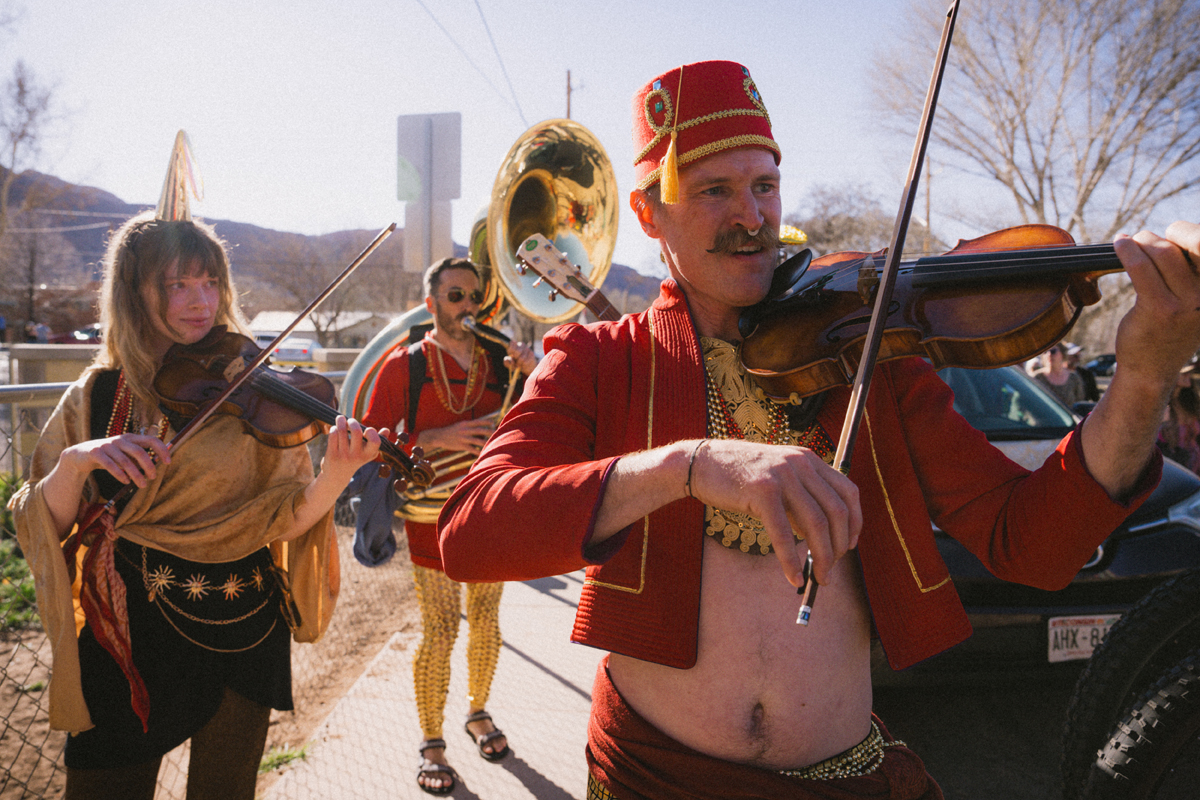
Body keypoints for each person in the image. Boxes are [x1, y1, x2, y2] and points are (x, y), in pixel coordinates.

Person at [437, 59, 1200, 799]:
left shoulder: (866, 348)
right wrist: (688, 467)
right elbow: (471, 531)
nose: (752, 217)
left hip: (844, 780)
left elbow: (1032, 544)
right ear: (648, 212)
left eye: (764, 185)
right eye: (713, 190)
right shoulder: (600, 357)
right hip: (651, 776)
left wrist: (1141, 378)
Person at [9, 200, 383, 798]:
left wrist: (336, 474)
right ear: (134, 292)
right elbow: (41, 521)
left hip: (243, 623)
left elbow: (285, 520)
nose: (200, 302)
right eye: (176, 284)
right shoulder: (99, 392)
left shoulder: (252, 386)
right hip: (128, 629)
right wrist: (79, 462)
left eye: (210, 282)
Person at [359, 257, 537, 795]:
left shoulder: (503, 362)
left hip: (489, 511)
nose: (467, 305)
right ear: (431, 303)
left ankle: (478, 712)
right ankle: (432, 740)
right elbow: (371, 440)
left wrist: (534, 374)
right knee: (441, 627)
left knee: (485, 620)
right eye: (455, 295)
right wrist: (437, 439)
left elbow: (545, 422)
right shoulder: (403, 365)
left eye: (474, 296)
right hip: (428, 515)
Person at [1157, 361, 1200, 472]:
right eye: (1183, 373)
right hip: (1173, 471)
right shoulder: (1159, 406)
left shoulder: (1191, 403)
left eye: (1189, 372)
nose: (1188, 375)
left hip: (1195, 470)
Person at [1034, 342, 1088, 408]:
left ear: (1062, 354)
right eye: (1045, 352)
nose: (1049, 354)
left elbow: (1080, 404)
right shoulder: (1036, 378)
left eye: (1053, 351)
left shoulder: (1074, 378)